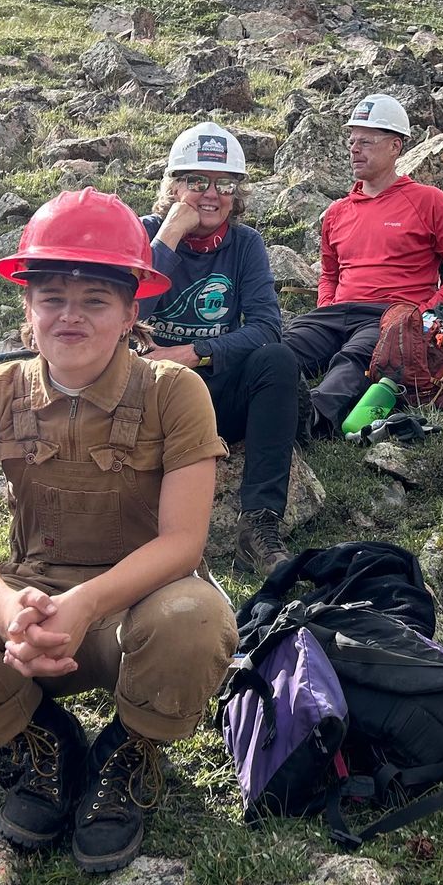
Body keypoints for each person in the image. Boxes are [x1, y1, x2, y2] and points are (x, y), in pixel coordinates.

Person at [0, 188, 238, 875]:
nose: (70, 315)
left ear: (133, 313)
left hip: (138, 612)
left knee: (197, 618)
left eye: (96, 300)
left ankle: (129, 752)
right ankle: (43, 741)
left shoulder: (174, 392)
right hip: (31, 608)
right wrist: (8, 609)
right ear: (27, 311)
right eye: (52, 297)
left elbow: (183, 544)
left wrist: (85, 606)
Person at [139, 121, 301, 577]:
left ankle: (259, 526)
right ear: (172, 187)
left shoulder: (245, 243)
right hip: (154, 398)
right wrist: (168, 238)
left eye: (224, 183)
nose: (211, 194)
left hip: (212, 388)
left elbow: (268, 327)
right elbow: (124, 315)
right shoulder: (145, 234)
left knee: (277, 361)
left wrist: (191, 352)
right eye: (196, 182)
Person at [284, 92, 443, 436]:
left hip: (390, 316)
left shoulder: (428, 200)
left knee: (354, 359)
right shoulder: (336, 212)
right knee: (280, 350)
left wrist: (431, 312)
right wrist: (328, 308)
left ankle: (311, 419)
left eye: (366, 141)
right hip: (334, 314)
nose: (354, 148)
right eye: (351, 141)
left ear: (396, 146)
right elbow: (329, 273)